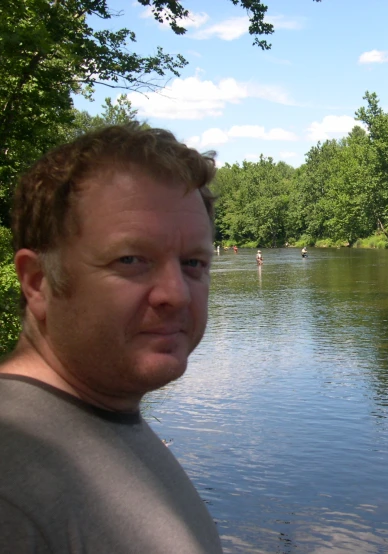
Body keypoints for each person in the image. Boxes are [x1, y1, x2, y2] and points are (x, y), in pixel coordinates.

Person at [0, 124, 223, 553]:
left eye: (193, 263)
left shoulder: (104, 417)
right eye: (131, 259)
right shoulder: (11, 488)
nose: (175, 294)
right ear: (38, 282)